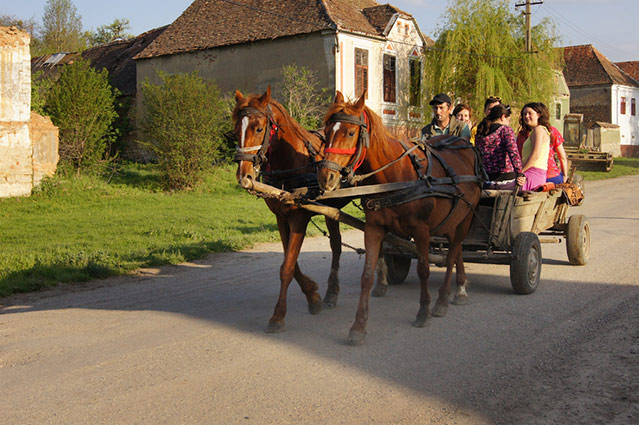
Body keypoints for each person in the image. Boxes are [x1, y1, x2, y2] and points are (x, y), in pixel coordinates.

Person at [474, 104, 523, 190]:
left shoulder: (481, 131)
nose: (508, 123)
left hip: (486, 181)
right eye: (508, 120)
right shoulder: (505, 130)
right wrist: (520, 173)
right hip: (505, 181)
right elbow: (513, 153)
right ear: (503, 117)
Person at [516, 102, 551, 191]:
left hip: (533, 173)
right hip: (531, 171)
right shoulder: (536, 131)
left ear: (538, 114)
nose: (526, 116)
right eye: (524, 114)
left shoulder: (538, 130)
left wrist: (520, 171)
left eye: (530, 113)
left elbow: (535, 155)